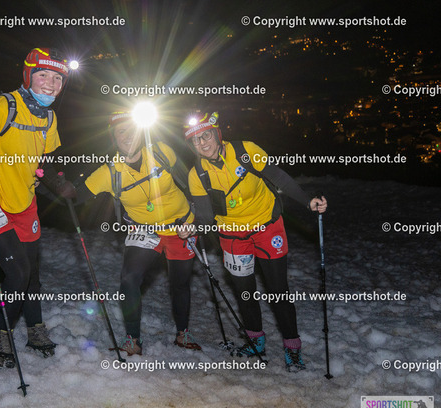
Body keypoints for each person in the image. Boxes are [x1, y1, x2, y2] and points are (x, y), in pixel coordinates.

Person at [177, 112, 327, 372]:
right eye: (195, 140)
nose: (202, 143)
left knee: (278, 290)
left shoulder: (246, 151)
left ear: (217, 134)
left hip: (267, 227)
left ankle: (292, 348)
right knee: (244, 291)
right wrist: (192, 228)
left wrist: (307, 201)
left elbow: (278, 177)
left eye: (206, 135)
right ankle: (256, 342)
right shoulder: (197, 174)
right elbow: (205, 217)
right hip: (233, 235)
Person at [0, 47, 76, 368]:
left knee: (31, 274)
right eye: (42, 75)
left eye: (57, 78)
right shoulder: (2, 106)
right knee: (18, 272)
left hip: (24, 202)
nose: (50, 83)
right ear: (28, 76)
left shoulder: (49, 118)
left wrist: (59, 185)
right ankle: (2, 338)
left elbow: (45, 163)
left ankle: (35, 330)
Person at [74, 111, 201, 356]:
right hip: (145, 230)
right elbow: (74, 196)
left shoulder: (162, 152)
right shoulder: (109, 173)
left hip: (181, 228)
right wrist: (44, 181)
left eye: (132, 130)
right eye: (121, 131)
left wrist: (199, 217)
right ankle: (133, 339)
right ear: (114, 138)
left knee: (180, 283)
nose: (128, 136)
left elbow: (190, 182)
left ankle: (183, 333)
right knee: (129, 279)